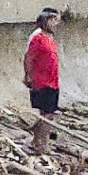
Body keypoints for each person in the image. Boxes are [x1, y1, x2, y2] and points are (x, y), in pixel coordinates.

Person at [24, 8, 62, 153]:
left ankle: (37, 140)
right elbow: (29, 57)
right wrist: (28, 75)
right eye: (53, 20)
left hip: (52, 80)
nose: (55, 24)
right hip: (42, 81)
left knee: (48, 113)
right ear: (46, 21)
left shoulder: (49, 37)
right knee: (47, 114)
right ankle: (41, 143)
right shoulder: (37, 37)